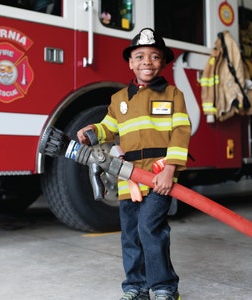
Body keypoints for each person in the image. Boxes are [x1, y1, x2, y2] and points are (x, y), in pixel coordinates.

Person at [77, 28, 191, 300]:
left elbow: (180, 131)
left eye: (154, 56)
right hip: (128, 178)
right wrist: (93, 129)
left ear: (162, 62)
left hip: (158, 176)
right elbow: (108, 128)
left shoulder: (173, 94)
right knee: (130, 235)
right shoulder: (119, 100)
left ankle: (164, 287)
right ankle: (136, 288)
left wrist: (171, 170)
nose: (147, 62)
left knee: (149, 228)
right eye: (139, 56)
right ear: (130, 63)